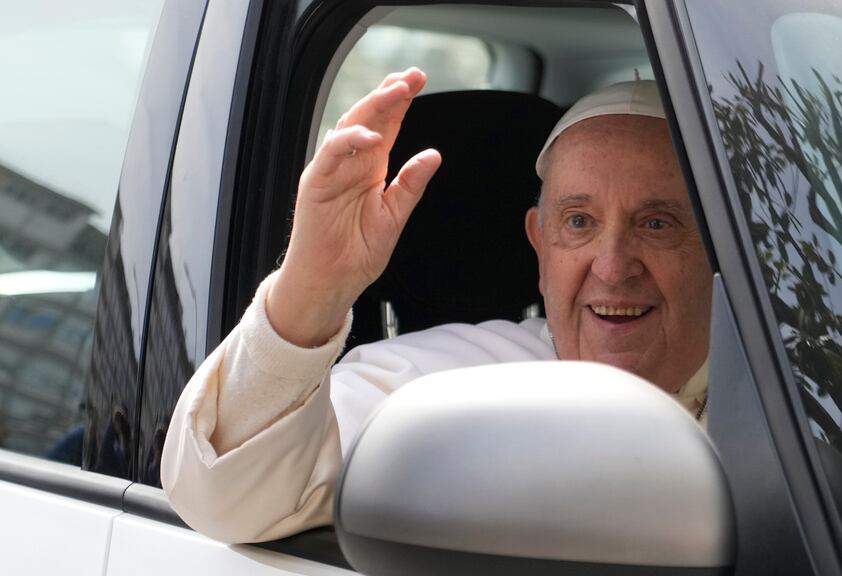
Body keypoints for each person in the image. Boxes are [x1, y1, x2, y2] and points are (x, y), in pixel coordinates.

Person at [161, 68, 713, 543]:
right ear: (540, 247)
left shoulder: (792, 391)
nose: (614, 266)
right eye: (578, 222)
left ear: (719, 252)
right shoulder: (439, 385)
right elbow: (228, 496)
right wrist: (312, 288)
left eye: (657, 224)